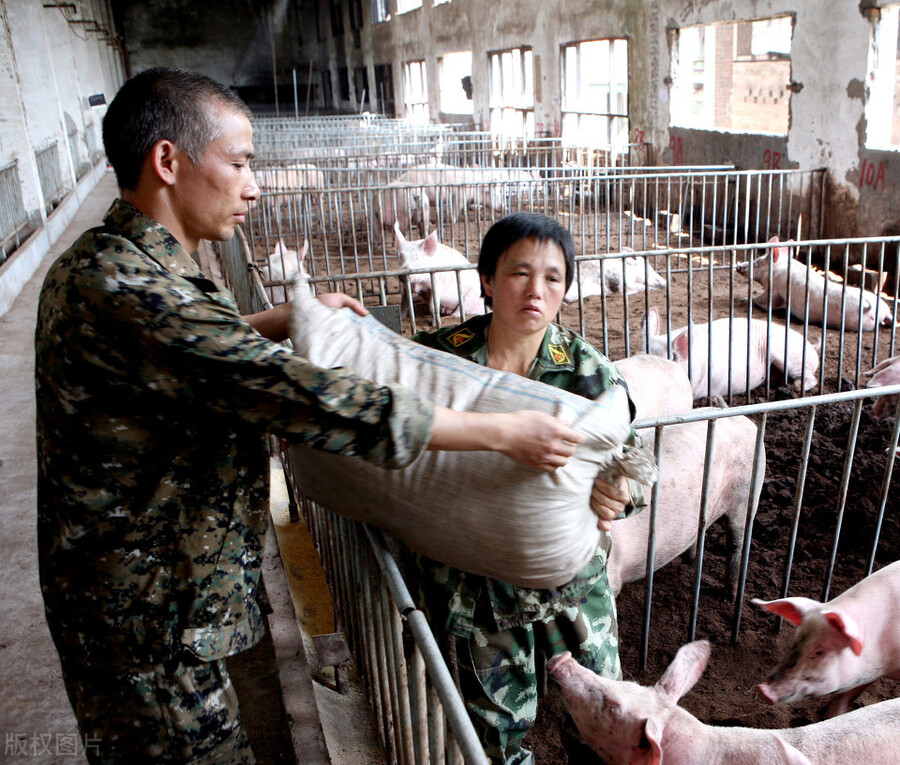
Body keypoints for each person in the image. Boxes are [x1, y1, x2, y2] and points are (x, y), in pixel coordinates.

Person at [35, 67, 585, 764]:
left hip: (137, 601)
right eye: (238, 163)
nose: (255, 185)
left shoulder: (109, 262)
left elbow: (190, 350)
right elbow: (309, 398)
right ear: (167, 161)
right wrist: (500, 431)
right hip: (144, 618)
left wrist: (283, 316)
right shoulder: (129, 287)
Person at [410, 212, 644, 765]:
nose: (536, 291)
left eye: (554, 278)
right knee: (495, 738)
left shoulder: (589, 374)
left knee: (595, 730)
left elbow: (635, 463)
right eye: (519, 273)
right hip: (475, 594)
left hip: (571, 588)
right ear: (487, 280)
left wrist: (620, 492)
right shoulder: (438, 357)